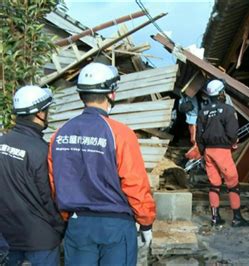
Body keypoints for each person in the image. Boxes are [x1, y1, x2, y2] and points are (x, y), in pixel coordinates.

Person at [48, 62, 156, 265]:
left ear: (81, 95)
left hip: (78, 225)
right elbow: (134, 183)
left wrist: (66, 217)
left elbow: (56, 183)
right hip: (115, 226)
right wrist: (146, 222)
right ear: (111, 94)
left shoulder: (59, 134)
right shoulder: (121, 133)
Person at [0, 86, 65, 265]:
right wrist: (61, 227)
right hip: (41, 239)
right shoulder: (41, 150)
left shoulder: (1, 142)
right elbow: (49, 197)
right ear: (40, 114)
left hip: (7, 237)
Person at [196, 79, 249, 227]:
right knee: (232, 183)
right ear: (221, 93)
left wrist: (203, 152)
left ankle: (215, 218)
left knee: (214, 184)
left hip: (208, 151)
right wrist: (231, 143)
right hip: (222, 150)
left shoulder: (203, 111)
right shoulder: (228, 110)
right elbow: (232, 132)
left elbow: (199, 135)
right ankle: (237, 218)